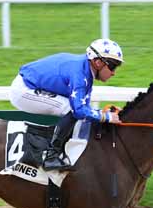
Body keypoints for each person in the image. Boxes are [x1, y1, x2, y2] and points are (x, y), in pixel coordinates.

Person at [9, 38, 124, 171]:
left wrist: (103, 114)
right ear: (98, 62)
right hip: (23, 90)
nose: (114, 72)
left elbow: (84, 108)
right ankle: (51, 156)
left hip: (31, 82)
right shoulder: (80, 76)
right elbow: (79, 111)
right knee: (70, 108)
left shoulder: (85, 69)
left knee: (75, 109)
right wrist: (106, 117)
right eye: (113, 66)